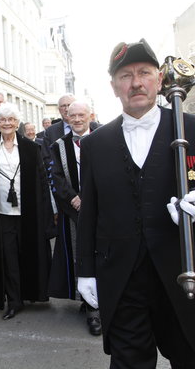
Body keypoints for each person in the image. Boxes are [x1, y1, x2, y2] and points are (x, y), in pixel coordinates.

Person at [77, 38, 195, 368]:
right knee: (129, 362)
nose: (136, 82)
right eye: (126, 76)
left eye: (144, 72)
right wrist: (86, 270)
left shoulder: (191, 129)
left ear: (159, 79)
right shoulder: (96, 144)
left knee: (188, 355)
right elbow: (91, 211)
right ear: (114, 86)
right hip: (122, 276)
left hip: (182, 270)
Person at [0, 102, 55, 320]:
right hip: (2, 213)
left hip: (29, 211)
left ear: (17, 123)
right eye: (2, 120)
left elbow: (42, 181)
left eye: (11, 120)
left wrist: (48, 211)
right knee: (7, 257)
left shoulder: (31, 148)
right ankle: (13, 300)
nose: (7, 123)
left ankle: (31, 293)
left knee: (28, 252)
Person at [48, 101, 101, 336]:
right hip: (74, 211)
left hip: (102, 209)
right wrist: (73, 198)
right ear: (66, 118)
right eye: (73, 115)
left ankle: (103, 300)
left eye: (81, 115)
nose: (77, 119)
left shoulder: (104, 138)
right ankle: (91, 306)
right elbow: (55, 177)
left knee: (103, 254)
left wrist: (88, 197)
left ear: (90, 115)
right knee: (81, 253)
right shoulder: (58, 146)